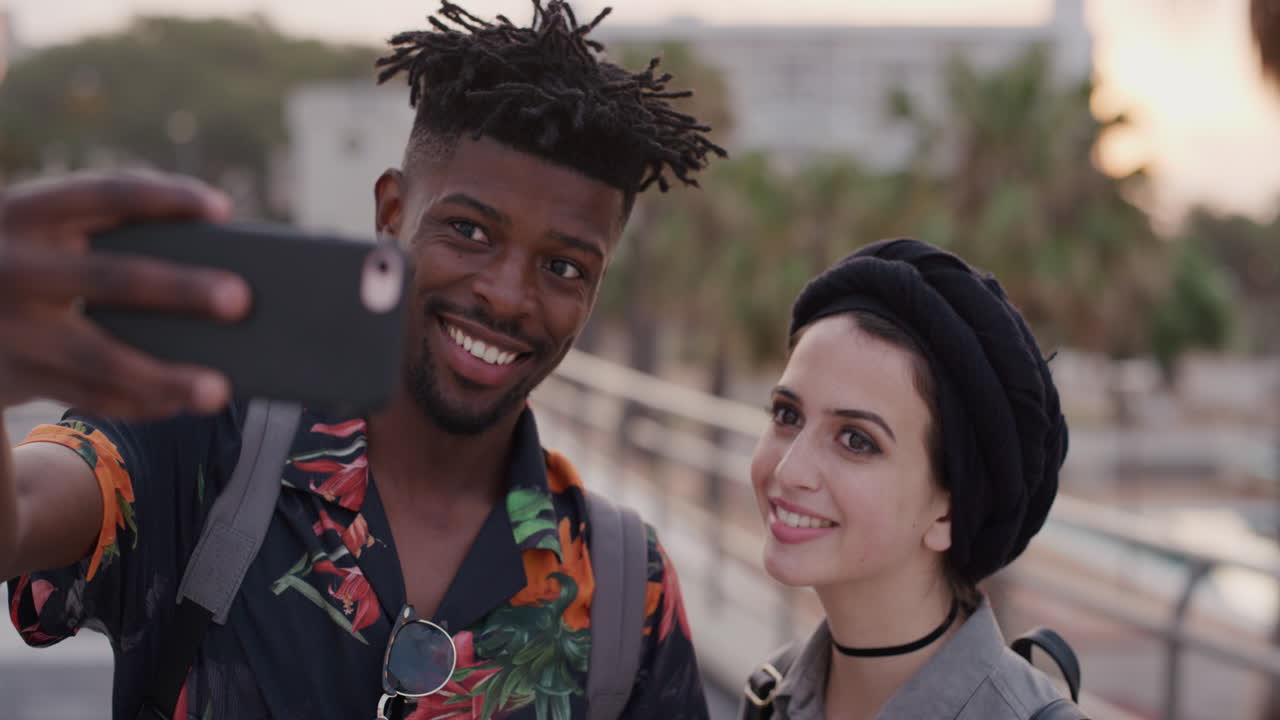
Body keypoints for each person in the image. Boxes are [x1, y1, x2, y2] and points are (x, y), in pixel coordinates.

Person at [0, 1, 725, 718]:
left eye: (564, 268)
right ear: (390, 213)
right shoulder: (202, 438)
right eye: (469, 231)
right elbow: (20, 514)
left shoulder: (626, 589)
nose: (508, 297)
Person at [739, 238, 1071, 720]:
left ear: (949, 512)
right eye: (787, 415)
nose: (789, 470)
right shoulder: (769, 696)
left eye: (856, 440)